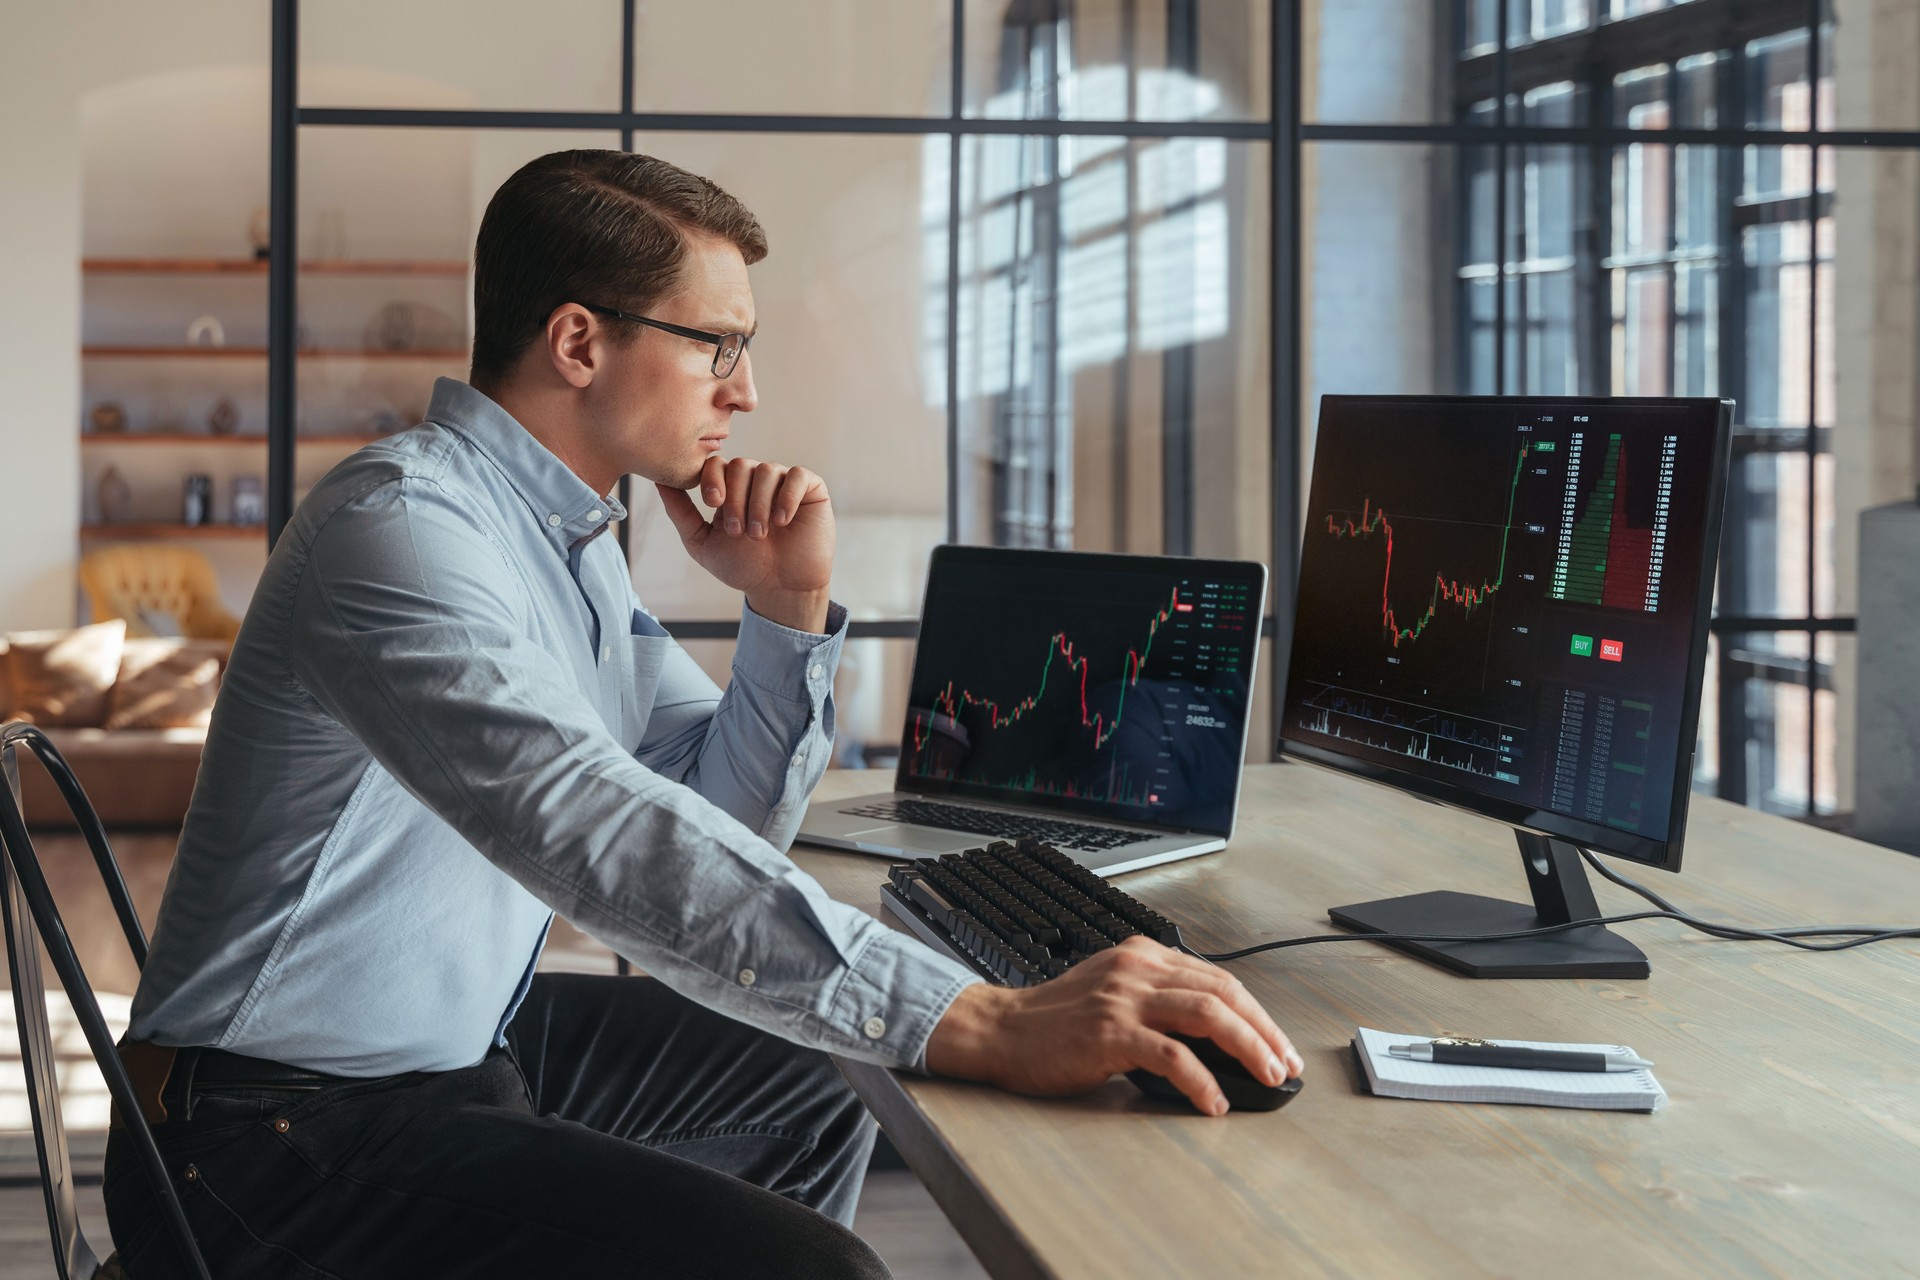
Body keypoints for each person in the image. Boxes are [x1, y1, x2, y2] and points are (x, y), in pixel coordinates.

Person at [102, 149, 1303, 1279]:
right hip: (252, 1132)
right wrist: (976, 1014)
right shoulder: (406, 532)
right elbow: (597, 830)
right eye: (717, 343)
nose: (748, 389)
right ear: (578, 340)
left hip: (458, 1055)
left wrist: (786, 605)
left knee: (831, 1070)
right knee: (817, 1269)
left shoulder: (568, 540)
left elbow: (717, 814)